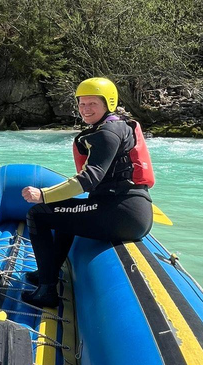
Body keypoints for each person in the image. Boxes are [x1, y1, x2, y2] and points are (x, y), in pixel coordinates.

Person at [21, 77, 155, 307]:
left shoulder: (107, 133)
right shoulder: (117, 125)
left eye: (92, 103)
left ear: (108, 103)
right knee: (65, 210)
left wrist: (43, 195)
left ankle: (46, 290)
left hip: (121, 212)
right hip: (127, 208)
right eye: (82, 104)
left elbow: (90, 178)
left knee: (38, 213)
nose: (85, 109)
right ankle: (50, 271)